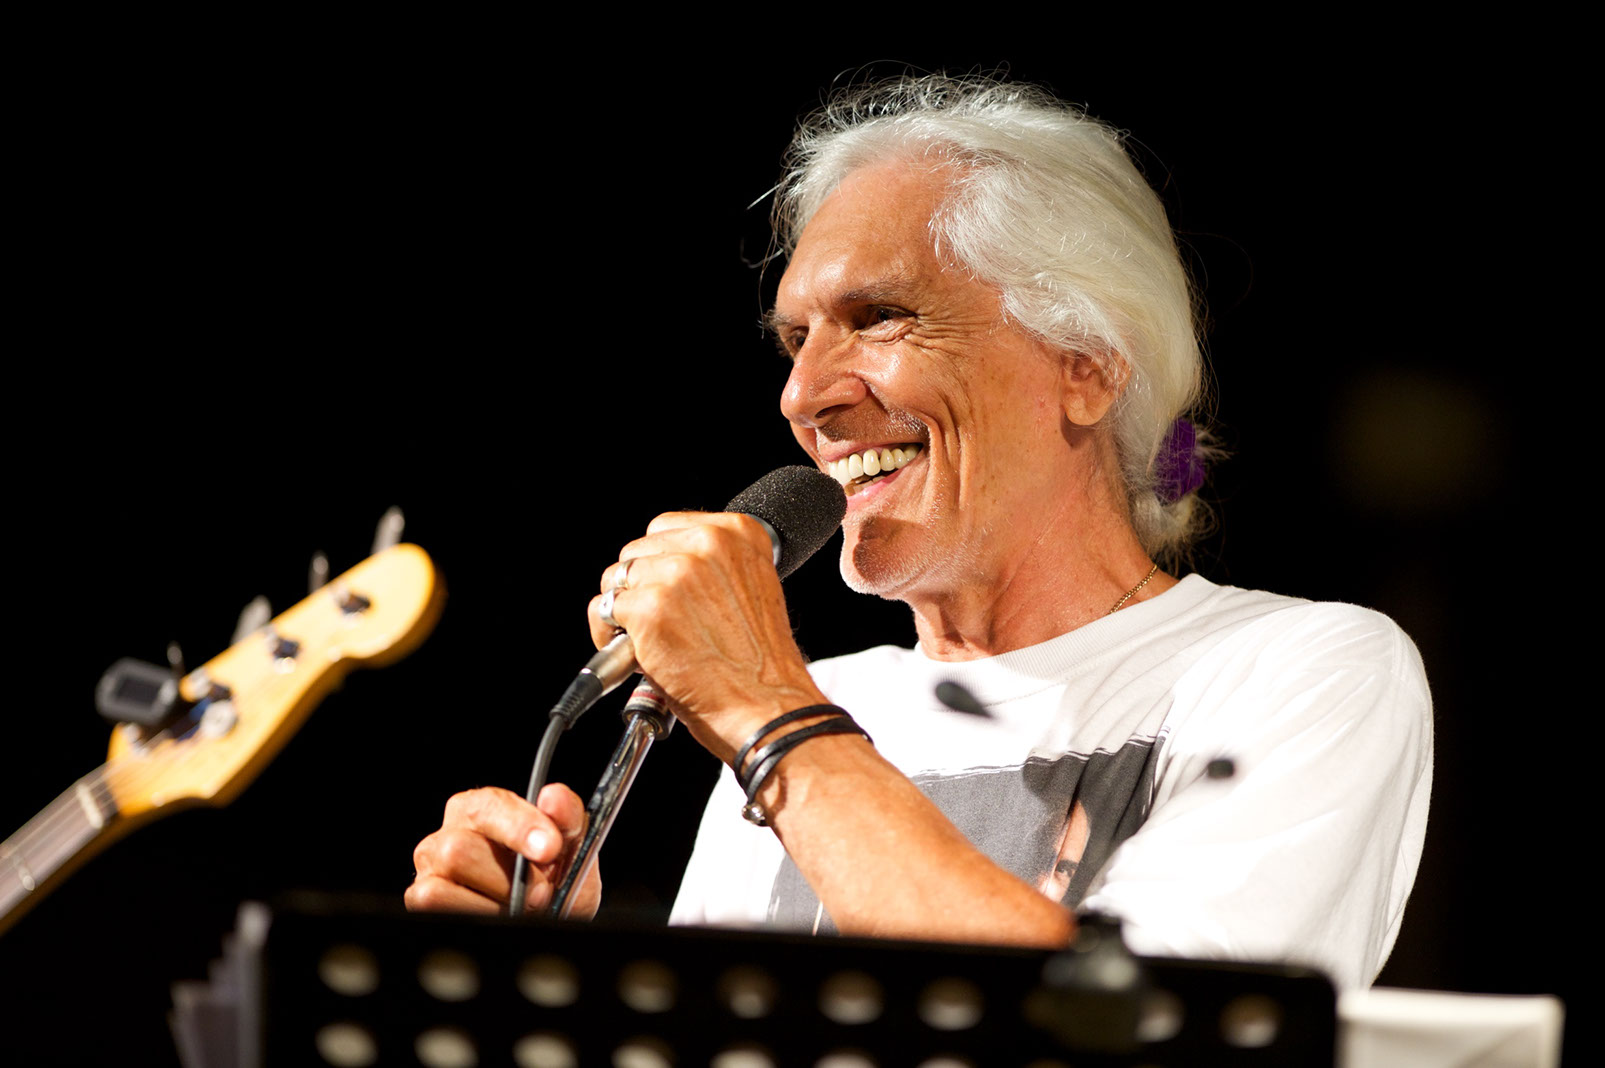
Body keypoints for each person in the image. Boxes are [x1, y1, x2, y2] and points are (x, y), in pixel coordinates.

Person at [406, 75, 1432, 990]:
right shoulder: (823, 704)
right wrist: (558, 981)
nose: (804, 395)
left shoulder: (1299, 672)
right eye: (795, 340)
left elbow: (1125, 1035)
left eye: (880, 317)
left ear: (1085, 363)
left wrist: (765, 711)